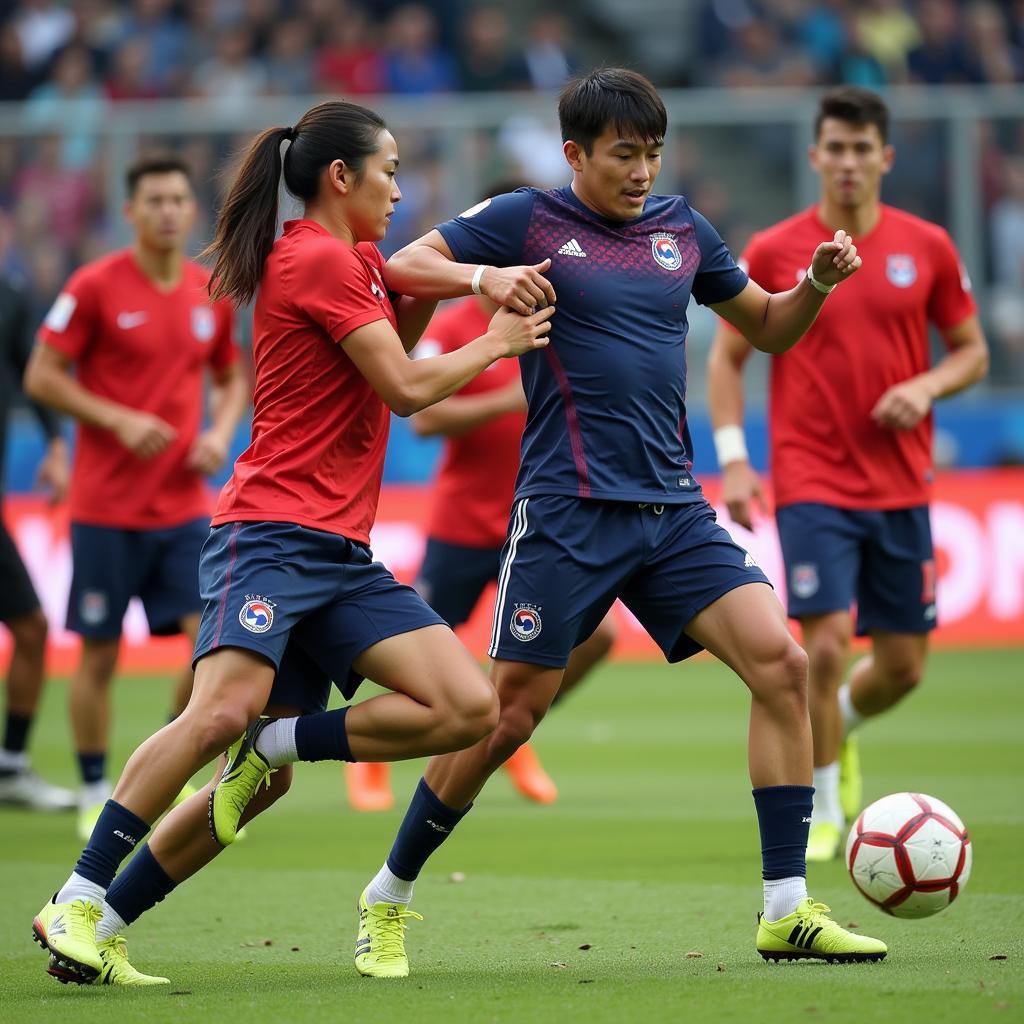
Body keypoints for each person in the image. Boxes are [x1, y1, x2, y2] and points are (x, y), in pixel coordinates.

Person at [343, 67, 887, 978]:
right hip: (565, 514)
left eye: (653, 154)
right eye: (624, 155)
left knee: (783, 664)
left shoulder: (685, 230)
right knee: (507, 717)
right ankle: (388, 896)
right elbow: (403, 263)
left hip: (674, 512)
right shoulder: (528, 218)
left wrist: (817, 287)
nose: (642, 172)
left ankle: (787, 909)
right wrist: (486, 276)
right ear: (575, 155)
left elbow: (769, 324)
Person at [30, 99, 555, 987]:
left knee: (465, 708)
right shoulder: (311, 256)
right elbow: (405, 388)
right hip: (270, 530)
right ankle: (78, 899)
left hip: (338, 551)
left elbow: (398, 322)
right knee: (219, 713)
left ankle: (122, 911)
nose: (401, 186)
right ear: (340, 178)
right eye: (388, 170)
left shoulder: (350, 262)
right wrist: (497, 337)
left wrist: (459, 282)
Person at [707, 86, 988, 862]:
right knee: (822, 646)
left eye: (864, 148)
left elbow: (973, 351)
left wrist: (926, 385)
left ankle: (840, 728)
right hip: (812, 478)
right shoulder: (772, 249)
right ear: (815, 157)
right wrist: (734, 458)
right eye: (836, 147)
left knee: (901, 668)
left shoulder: (927, 246)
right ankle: (826, 807)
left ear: (885, 158)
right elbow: (728, 359)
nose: (849, 162)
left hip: (901, 483)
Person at [345, 196, 618, 811]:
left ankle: (510, 731)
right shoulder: (454, 324)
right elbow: (423, 418)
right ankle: (367, 765)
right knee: (407, 649)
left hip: (546, 518)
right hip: (468, 522)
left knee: (596, 640)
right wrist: (505, 400)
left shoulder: (562, 316)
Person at [24, 154, 248, 842]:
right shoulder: (94, 286)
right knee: (97, 655)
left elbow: (232, 376)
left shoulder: (206, 291)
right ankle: (97, 786)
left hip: (182, 509)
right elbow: (42, 375)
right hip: (105, 509)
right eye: (153, 200)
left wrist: (218, 431)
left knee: (201, 653)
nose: (168, 211)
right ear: (130, 212)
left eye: (179, 199)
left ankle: (162, 768)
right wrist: (116, 419)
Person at [0, 269, 74, 811]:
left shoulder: (11, 294)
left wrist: (54, 443)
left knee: (32, 626)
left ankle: (10, 767)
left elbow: (29, 368)